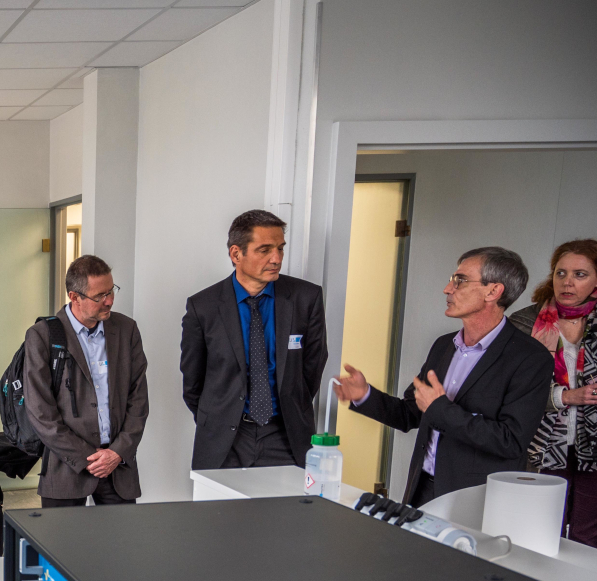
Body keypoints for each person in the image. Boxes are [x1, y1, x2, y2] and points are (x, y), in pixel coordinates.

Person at [335, 246, 551, 506]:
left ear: (493, 291)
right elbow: (411, 413)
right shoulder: (443, 345)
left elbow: (510, 441)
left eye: (460, 280)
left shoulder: (530, 358)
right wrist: (365, 395)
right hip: (422, 488)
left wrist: (441, 409)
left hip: (475, 499)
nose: (447, 289)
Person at [180, 209, 329, 470]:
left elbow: (312, 368)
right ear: (236, 254)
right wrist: (218, 416)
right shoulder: (203, 307)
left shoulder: (306, 298)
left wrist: (292, 407)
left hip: (286, 437)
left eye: (280, 248)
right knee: (221, 512)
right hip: (224, 440)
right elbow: (193, 381)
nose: (276, 258)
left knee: (285, 511)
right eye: (265, 250)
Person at [24, 254, 148, 507]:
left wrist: (117, 452)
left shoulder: (127, 330)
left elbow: (139, 400)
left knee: (122, 545)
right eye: (100, 296)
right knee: (61, 547)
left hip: (118, 468)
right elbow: (40, 412)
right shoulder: (42, 336)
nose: (109, 301)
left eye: (111, 291)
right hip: (66, 468)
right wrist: (89, 457)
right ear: (74, 297)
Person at [508, 239, 597, 543]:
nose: (567, 282)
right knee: (541, 533)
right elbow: (510, 392)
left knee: (589, 537)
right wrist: (565, 397)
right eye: (561, 273)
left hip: (592, 448)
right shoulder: (524, 323)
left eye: (580, 274)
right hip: (540, 448)